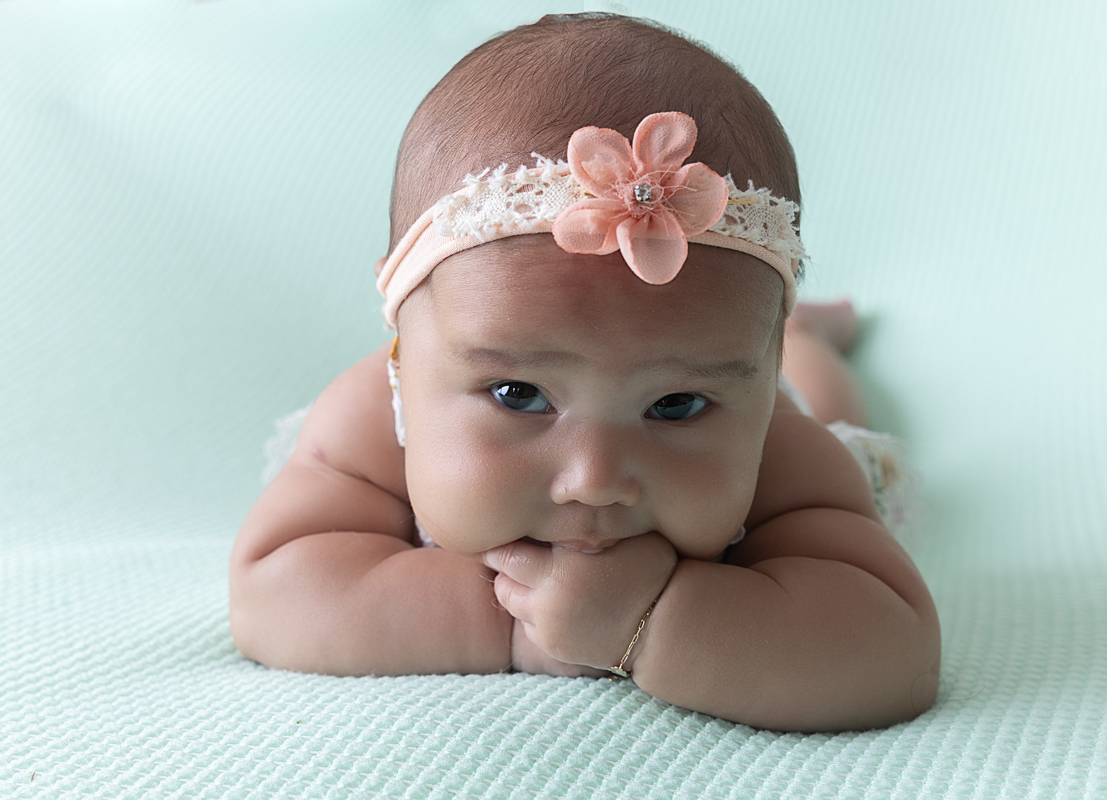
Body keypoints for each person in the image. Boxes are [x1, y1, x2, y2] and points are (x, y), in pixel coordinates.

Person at [229, 12, 939, 732]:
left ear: (757, 378)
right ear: (405, 355)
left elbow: (892, 649)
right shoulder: (369, 423)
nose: (595, 477)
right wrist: (514, 623)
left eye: (677, 403)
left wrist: (648, 624)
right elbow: (273, 590)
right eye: (520, 395)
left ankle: (809, 343)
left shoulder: (781, 451)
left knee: (833, 407)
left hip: (796, 404)